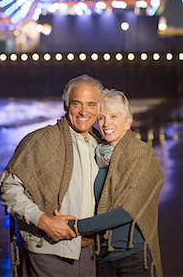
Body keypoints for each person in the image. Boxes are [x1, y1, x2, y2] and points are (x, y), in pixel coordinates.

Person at [0, 74, 103, 277]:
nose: (84, 111)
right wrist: (43, 221)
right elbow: (8, 188)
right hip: (48, 253)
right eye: (77, 104)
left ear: (99, 109)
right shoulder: (40, 140)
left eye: (91, 104)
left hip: (89, 253)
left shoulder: (99, 145)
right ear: (66, 105)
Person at [68, 89, 164, 277]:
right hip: (101, 255)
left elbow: (128, 210)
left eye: (114, 116)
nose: (106, 124)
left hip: (133, 256)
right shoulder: (96, 154)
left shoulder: (141, 154)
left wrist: (77, 227)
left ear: (128, 122)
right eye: (102, 118)